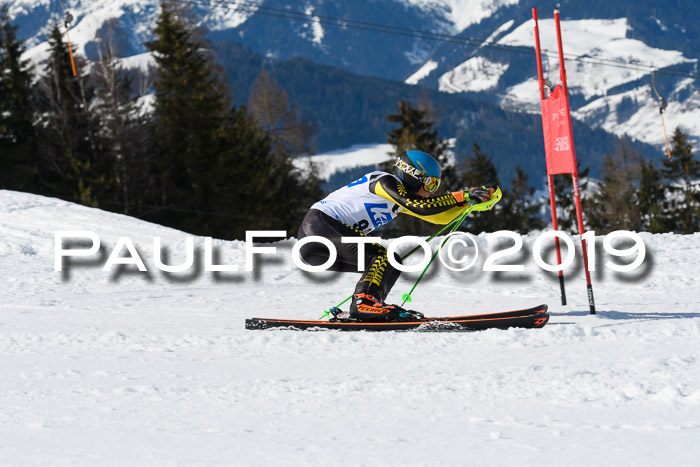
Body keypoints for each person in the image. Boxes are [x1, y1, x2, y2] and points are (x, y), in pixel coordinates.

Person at [297, 150, 494, 321]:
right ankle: (363, 305)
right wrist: (465, 195)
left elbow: (438, 217)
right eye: (430, 184)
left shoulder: (398, 200)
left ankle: (371, 306)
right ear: (413, 176)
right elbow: (422, 206)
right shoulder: (384, 181)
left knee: (391, 261)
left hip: (313, 243)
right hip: (320, 225)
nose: (430, 191)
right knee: (379, 257)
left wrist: (469, 205)